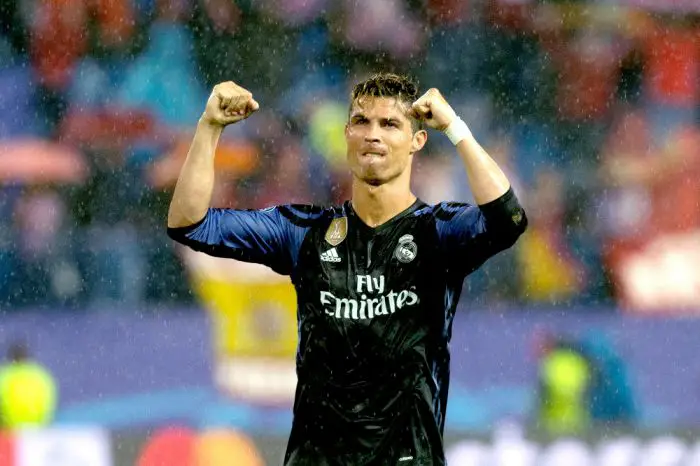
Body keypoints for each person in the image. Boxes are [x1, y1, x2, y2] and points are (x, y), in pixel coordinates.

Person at [167, 73, 527, 465]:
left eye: (390, 124)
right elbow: (190, 224)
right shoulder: (304, 232)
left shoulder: (437, 233)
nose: (373, 134)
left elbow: (508, 219)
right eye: (361, 121)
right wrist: (209, 126)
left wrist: (455, 128)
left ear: (417, 141)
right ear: (346, 136)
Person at [0, 341, 58, 429]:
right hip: (36, 429)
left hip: (9, 430)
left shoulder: (4, 374)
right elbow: (49, 400)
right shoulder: (40, 375)